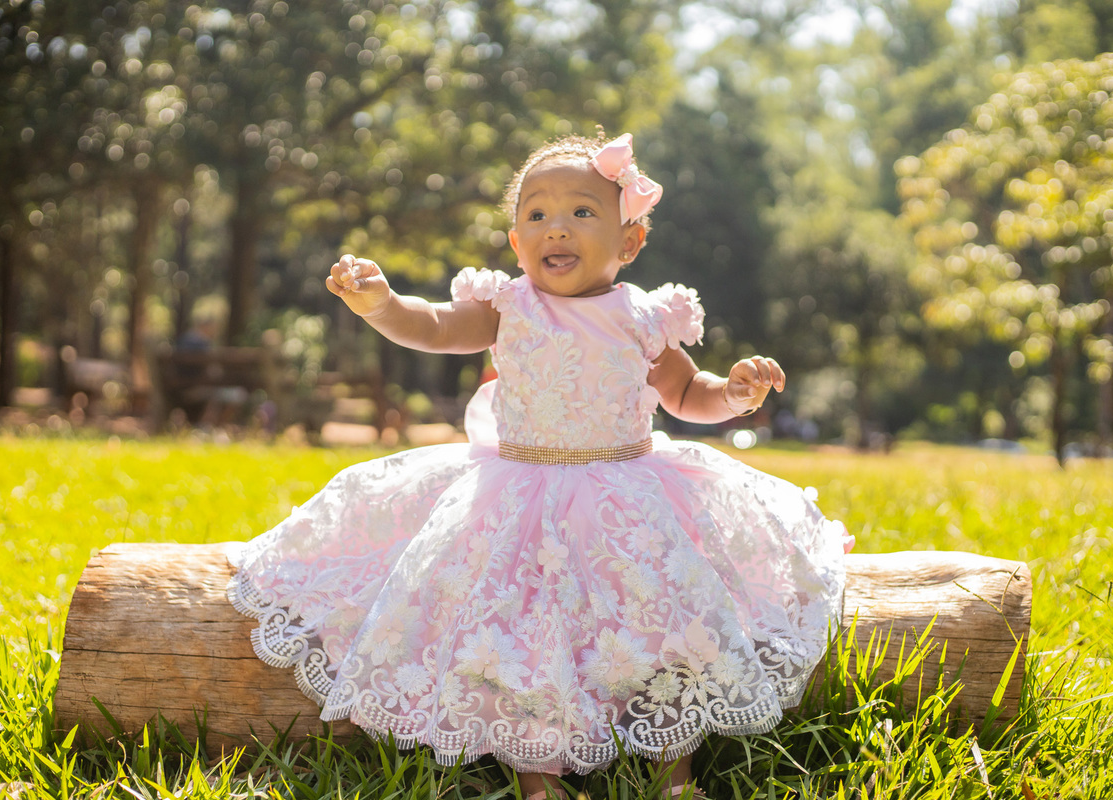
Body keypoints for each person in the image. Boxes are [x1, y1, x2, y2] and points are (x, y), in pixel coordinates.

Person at [226, 132, 852, 799]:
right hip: (520, 496)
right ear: (516, 241)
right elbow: (434, 326)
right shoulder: (507, 308)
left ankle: (675, 772)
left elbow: (685, 394)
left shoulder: (643, 316)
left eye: (583, 212)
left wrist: (732, 393)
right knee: (525, 632)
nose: (557, 227)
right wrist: (381, 305)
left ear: (629, 242)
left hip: (626, 495)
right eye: (538, 215)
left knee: (666, 623)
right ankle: (538, 775)